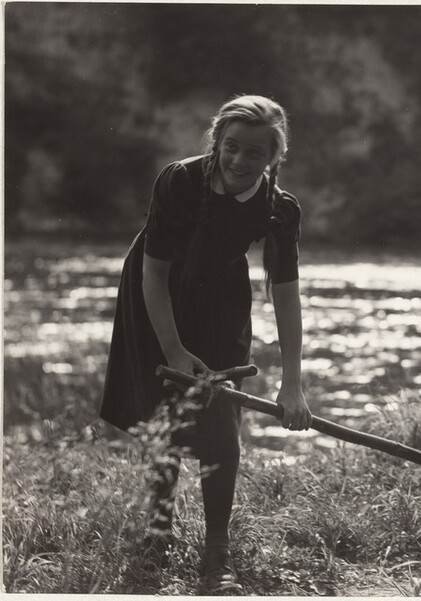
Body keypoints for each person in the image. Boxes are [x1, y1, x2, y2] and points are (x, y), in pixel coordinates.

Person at [100, 94, 312, 594]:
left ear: (275, 157)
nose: (238, 160)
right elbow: (154, 274)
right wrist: (173, 350)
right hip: (157, 293)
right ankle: (157, 531)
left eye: (255, 153)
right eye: (231, 146)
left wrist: (293, 384)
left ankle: (217, 548)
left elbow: (286, 296)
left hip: (222, 299)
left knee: (221, 416)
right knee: (163, 409)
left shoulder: (280, 209)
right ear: (217, 140)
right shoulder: (179, 180)